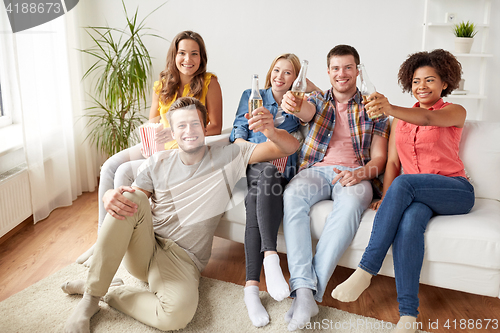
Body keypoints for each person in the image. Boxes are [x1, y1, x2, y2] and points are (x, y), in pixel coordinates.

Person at [61, 97, 299, 333]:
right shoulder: (158, 162)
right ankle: (89, 302)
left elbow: (289, 147)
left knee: (176, 316)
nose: (189, 131)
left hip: (184, 260)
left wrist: (271, 130)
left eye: (195, 124)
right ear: (172, 132)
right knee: (129, 198)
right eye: (181, 126)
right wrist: (109, 195)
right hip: (145, 247)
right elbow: (133, 201)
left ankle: (110, 291)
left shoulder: (231, 155)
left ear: (205, 126)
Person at [331, 49, 475, 333]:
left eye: (430, 80)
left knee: (405, 183)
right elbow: (394, 163)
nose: (422, 86)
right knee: (409, 225)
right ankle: (408, 316)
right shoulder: (400, 122)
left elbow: (428, 120)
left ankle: (366, 270)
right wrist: (386, 197)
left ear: (444, 83)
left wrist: (389, 108)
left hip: (455, 190)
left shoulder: (454, 111)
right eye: (416, 81)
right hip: (417, 196)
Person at [76, 30, 222, 266]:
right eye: (182, 53)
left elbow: (215, 126)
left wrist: (176, 137)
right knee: (110, 166)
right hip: (157, 143)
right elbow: (153, 119)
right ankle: (103, 238)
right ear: (174, 55)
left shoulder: (209, 83)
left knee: (125, 172)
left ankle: (114, 243)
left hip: (180, 148)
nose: (188, 59)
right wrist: (151, 135)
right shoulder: (162, 84)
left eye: (194, 54)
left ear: (201, 57)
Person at [280, 44, 390, 331]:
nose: (342, 74)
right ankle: (305, 292)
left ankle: (307, 295)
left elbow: (380, 158)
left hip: (357, 173)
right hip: (317, 171)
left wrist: (362, 173)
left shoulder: (374, 105)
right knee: (292, 196)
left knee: (351, 205)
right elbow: (304, 110)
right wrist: (294, 103)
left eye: (348, 67)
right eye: (336, 68)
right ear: (328, 72)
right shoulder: (317, 99)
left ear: (357, 70)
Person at [230, 53, 319, 327]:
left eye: (288, 73)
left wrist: (303, 84)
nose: (280, 77)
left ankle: (251, 290)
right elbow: (238, 131)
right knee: (264, 172)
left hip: (281, 174)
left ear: (296, 80)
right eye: (276, 71)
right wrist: (247, 150)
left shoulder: (297, 106)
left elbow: (320, 95)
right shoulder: (252, 95)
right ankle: (270, 256)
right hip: (252, 165)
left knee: (262, 187)